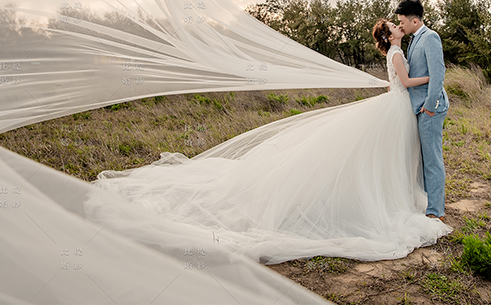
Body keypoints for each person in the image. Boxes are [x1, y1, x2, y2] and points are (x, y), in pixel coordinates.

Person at [82, 18, 452, 265]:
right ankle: (394, 199)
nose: (398, 25)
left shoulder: (394, 51)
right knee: (387, 157)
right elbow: (403, 83)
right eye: (393, 25)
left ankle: (398, 195)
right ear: (389, 35)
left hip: (394, 107)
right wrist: (432, 77)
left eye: (397, 22)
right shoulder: (398, 51)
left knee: (386, 158)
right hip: (397, 105)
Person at [394, 0, 450, 222]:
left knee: (432, 159)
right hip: (418, 107)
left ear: (415, 20)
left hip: (430, 108)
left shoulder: (430, 38)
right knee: (423, 158)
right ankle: (428, 202)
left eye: (402, 22)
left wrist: (429, 106)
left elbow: (438, 74)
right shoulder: (414, 39)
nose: (400, 26)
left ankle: (436, 211)